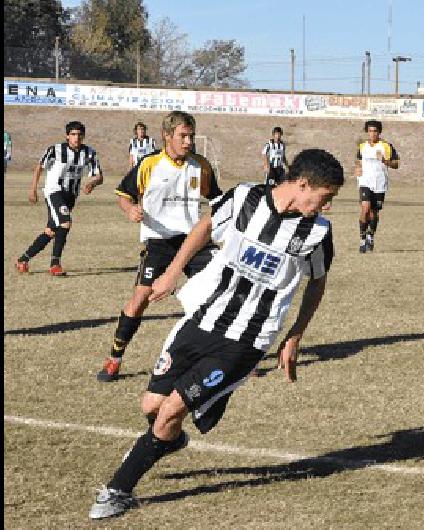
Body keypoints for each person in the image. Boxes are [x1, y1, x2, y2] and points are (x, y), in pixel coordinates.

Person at [88, 148, 344, 519]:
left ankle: (117, 490)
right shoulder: (244, 198)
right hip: (202, 319)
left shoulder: (318, 232)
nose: (327, 206)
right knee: (152, 407)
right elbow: (207, 224)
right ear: (303, 184)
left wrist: (294, 336)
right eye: (325, 197)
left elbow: (317, 283)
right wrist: (174, 270)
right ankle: (168, 439)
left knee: (170, 411)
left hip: (246, 340)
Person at [96, 111, 223, 383]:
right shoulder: (150, 164)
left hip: (194, 241)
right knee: (141, 298)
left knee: (220, 291)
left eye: (191, 135)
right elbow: (123, 194)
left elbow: (216, 199)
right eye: (183, 136)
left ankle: (220, 356)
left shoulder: (201, 166)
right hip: (159, 242)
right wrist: (131, 209)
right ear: (167, 136)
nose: (188, 141)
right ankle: (114, 358)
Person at [14, 121, 104, 276]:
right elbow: (39, 168)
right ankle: (55, 264)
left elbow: (99, 176)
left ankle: (23, 259)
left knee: (51, 231)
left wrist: (92, 183)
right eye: (73, 134)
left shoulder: (89, 152)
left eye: (79, 134)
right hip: (54, 191)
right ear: (67, 136)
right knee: (65, 223)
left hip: (71, 195)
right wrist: (33, 189)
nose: (76, 137)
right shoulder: (55, 150)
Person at [354, 120, 398, 253]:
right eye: (370, 131)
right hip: (365, 181)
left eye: (375, 131)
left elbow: (396, 164)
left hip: (379, 183)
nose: (372, 134)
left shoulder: (386, 146)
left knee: (374, 213)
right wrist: (357, 168)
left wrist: (385, 161)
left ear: (379, 132)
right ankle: (362, 239)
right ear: (367, 132)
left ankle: (370, 235)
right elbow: (358, 161)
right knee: (365, 208)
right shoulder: (362, 146)